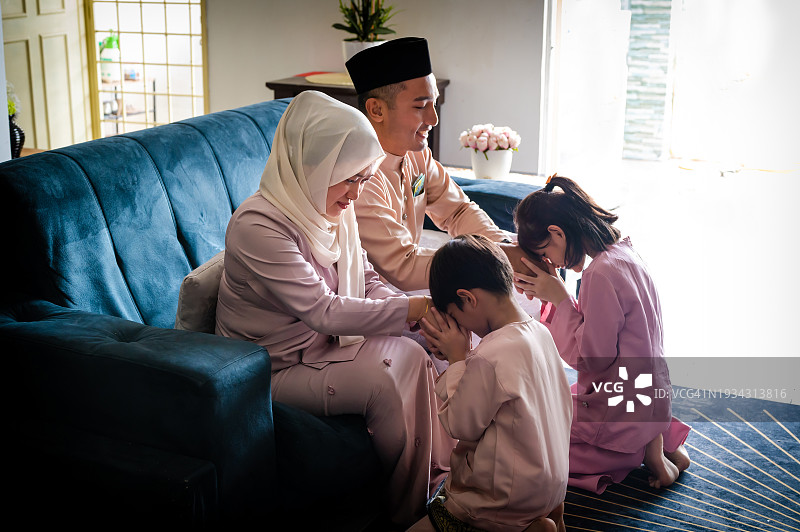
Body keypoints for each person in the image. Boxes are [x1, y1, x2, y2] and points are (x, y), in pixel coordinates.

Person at [215, 90, 455, 527]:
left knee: (429, 348)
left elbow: (368, 280)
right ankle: (406, 512)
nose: (356, 193)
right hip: (271, 370)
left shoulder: (330, 211)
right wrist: (413, 309)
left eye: (364, 178)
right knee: (391, 370)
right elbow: (322, 309)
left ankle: (442, 484)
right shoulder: (258, 225)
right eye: (349, 178)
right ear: (314, 166)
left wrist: (418, 319)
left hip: (325, 347)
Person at [511, 174, 691, 493]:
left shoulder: (601, 274)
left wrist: (560, 299)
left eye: (546, 252)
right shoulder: (624, 255)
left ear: (557, 233)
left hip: (621, 403)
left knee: (533, 440)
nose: (551, 262)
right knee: (554, 401)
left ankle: (643, 451)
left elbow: (593, 358)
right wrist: (561, 296)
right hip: (649, 391)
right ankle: (660, 439)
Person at [408, 234, 572, 532]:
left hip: (501, 500)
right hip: (552, 485)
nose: (459, 327)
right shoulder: (540, 333)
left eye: (455, 315)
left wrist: (457, 361)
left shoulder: (490, 356)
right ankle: (544, 519)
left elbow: (461, 425)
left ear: (468, 299)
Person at [346, 37, 533, 292]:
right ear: (376, 110)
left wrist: (503, 246)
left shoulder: (417, 155)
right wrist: (494, 257)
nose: (433, 118)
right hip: (376, 301)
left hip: (425, 279)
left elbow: (457, 210)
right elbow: (404, 265)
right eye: (421, 106)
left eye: (433, 103)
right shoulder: (357, 177)